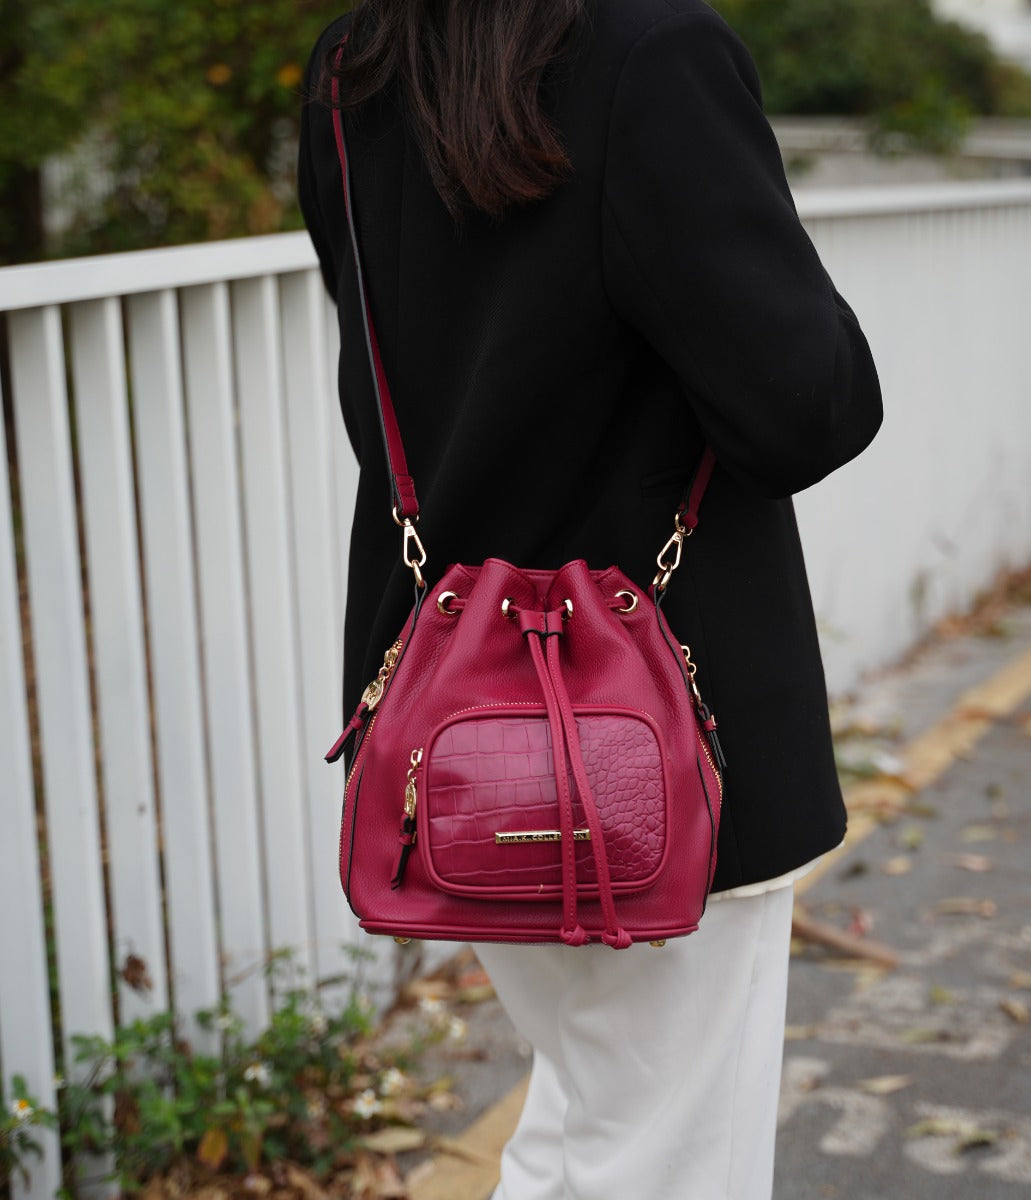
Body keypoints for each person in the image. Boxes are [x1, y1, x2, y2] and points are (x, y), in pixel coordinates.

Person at [299, 0, 882, 1195]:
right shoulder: (654, 54)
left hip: (451, 717)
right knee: (662, 1157)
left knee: (590, 1124)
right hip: (656, 723)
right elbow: (806, 406)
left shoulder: (361, 59)